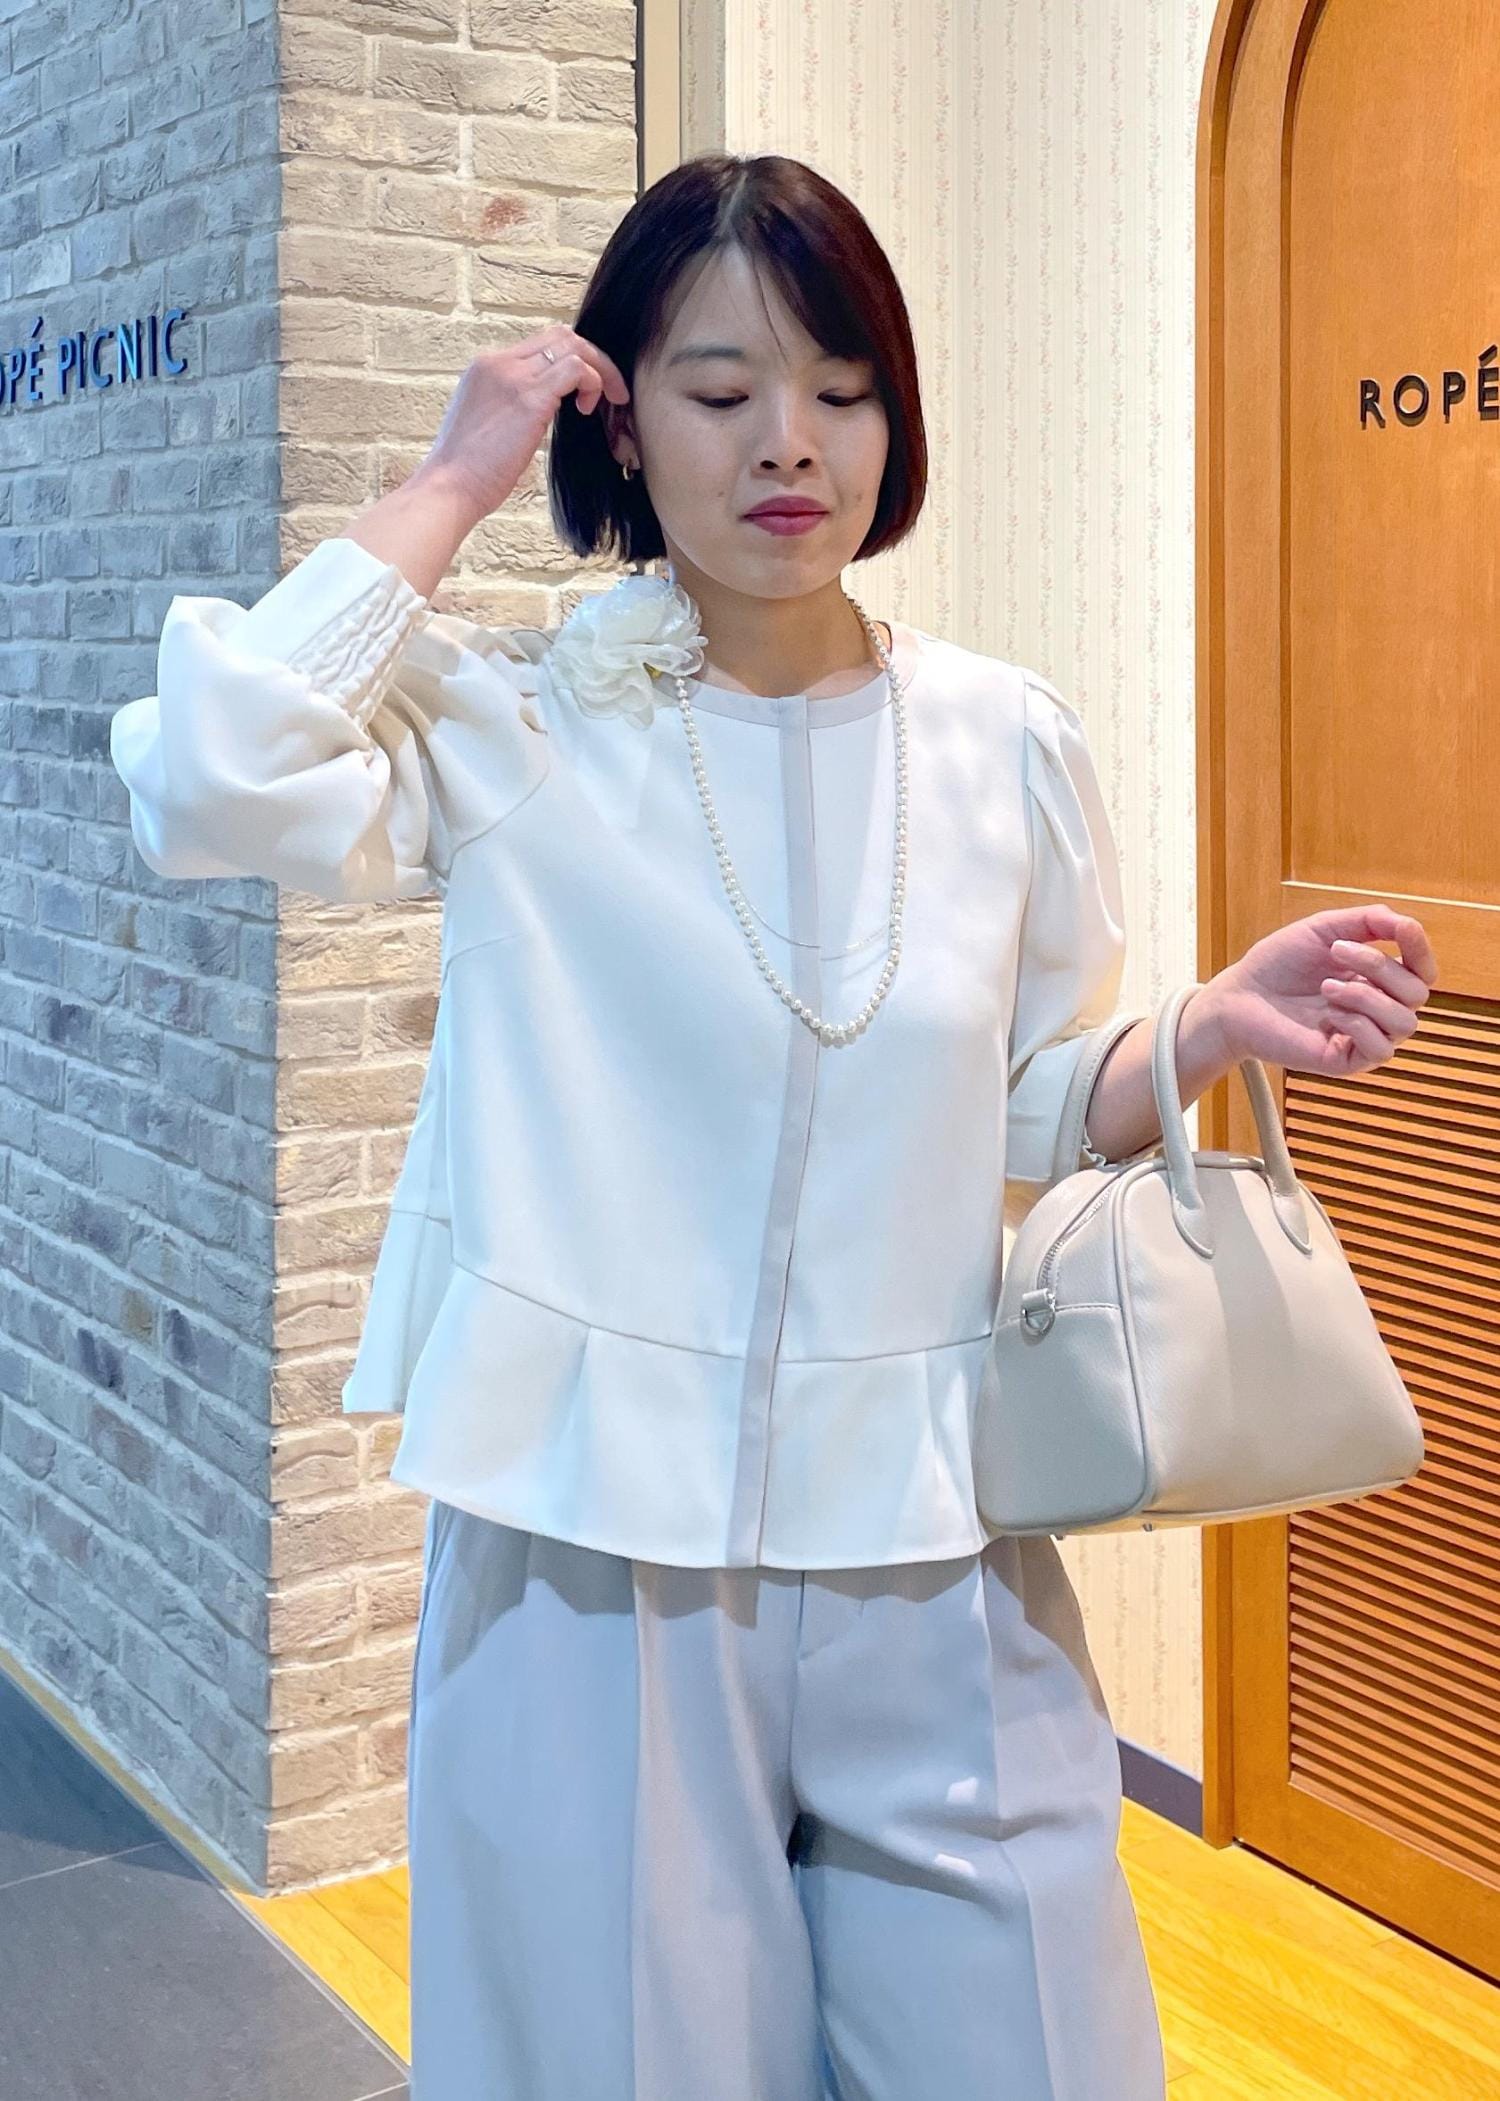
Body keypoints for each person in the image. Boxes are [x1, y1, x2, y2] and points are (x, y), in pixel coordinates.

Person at [110, 151, 1433, 2101]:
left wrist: (1201, 1031)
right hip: (593, 1570)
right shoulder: (515, 719)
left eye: (842, 387)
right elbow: (208, 778)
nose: (789, 441)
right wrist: (457, 475)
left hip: (938, 1549)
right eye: (721, 390)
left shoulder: (1000, 740)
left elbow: (1017, 1104)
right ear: (622, 424)